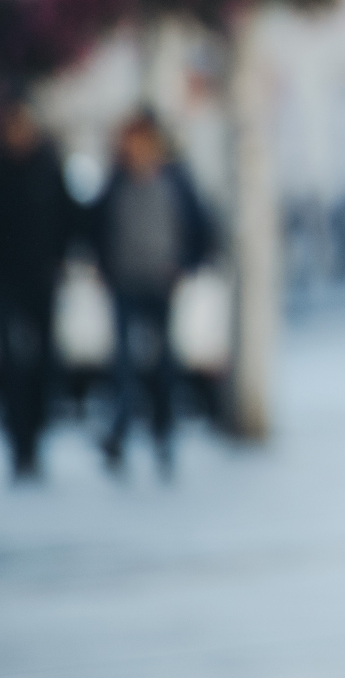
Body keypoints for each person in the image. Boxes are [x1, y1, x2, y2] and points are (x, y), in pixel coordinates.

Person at [88, 110, 212, 476]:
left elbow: (202, 227)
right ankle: (120, 435)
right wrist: (103, 268)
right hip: (125, 283)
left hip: (160, 284)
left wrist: (185, 266)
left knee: (162, 367)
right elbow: (97, 226)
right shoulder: (117, 179)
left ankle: (163, 437)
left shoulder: (174, 179)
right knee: (123, 366)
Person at [0, 91, 77, 482]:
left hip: (43, 277)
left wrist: (64, 257)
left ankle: (37, 439)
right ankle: (19, 442)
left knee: (44, 361)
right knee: (12, 362)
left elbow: (66, 215)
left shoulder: (48, 163)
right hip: (8, 281)